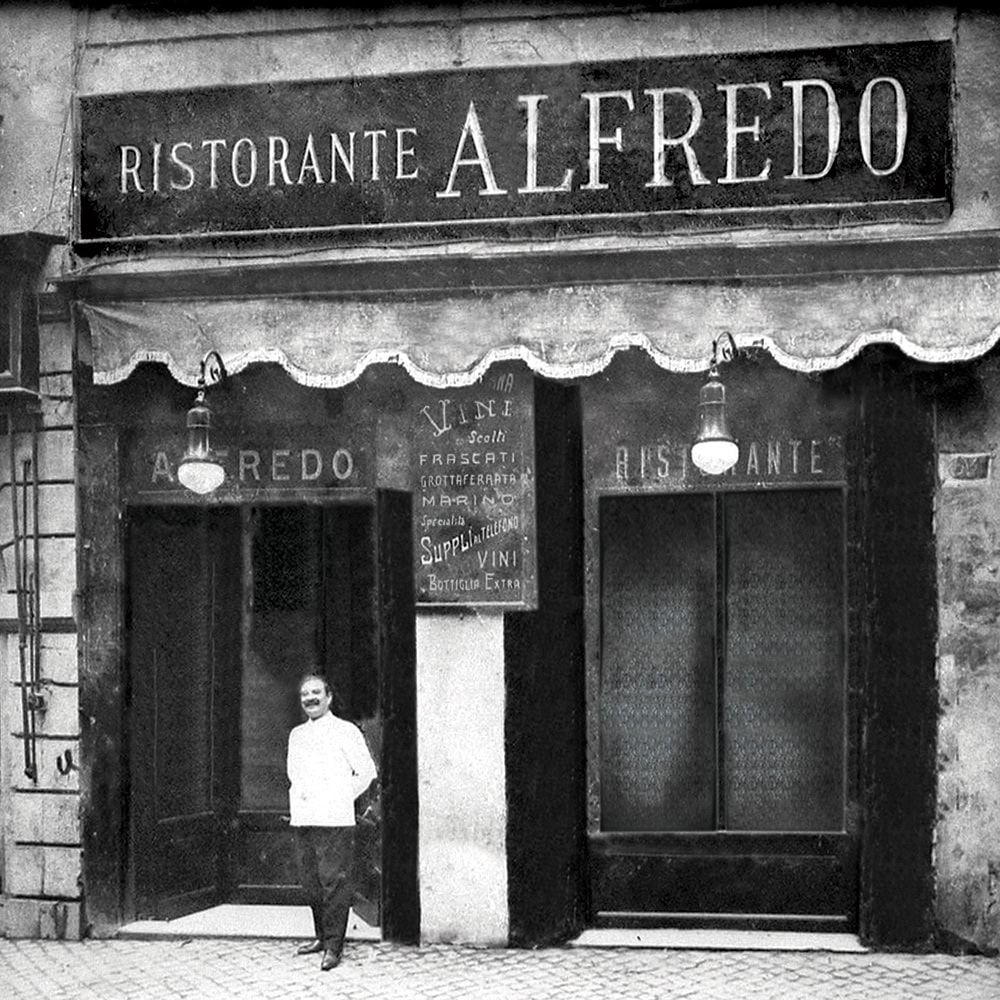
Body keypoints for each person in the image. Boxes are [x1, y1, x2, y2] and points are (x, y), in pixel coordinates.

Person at [287, 672, 377, 972]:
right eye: (304, 694)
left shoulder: (346, 731)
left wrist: (338, 798)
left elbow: (366, 772)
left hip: (335, 820)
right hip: (304, 819)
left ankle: (334, 946)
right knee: (310, 882)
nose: (310, 698)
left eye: (316, 693)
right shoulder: (297, 735)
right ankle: (320, 937)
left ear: (329, 698)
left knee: (334, 883)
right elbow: (293, 775)